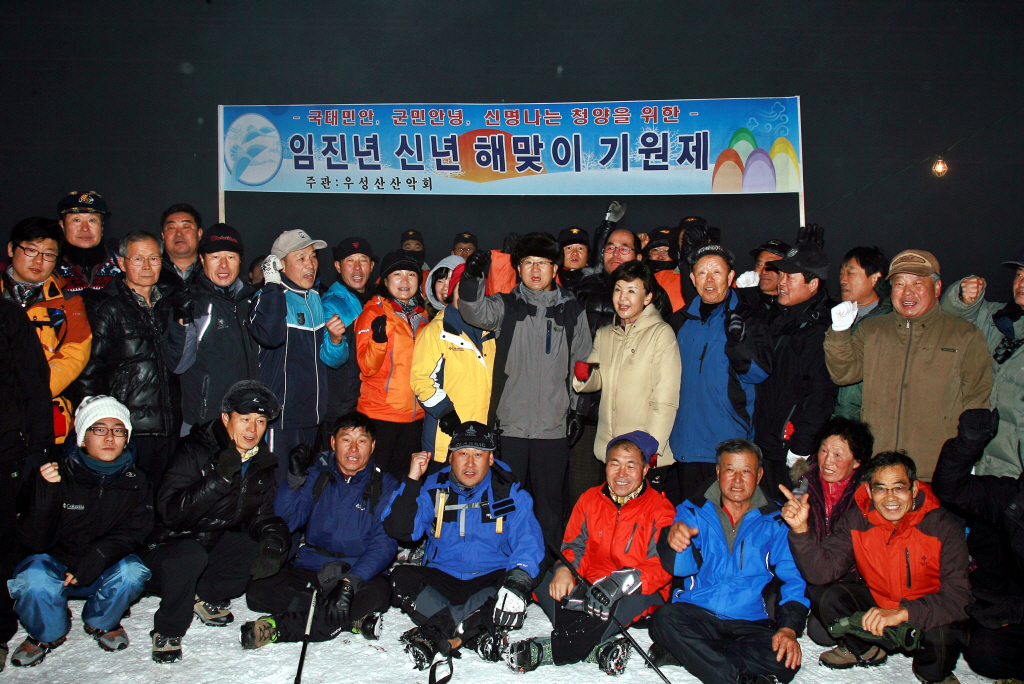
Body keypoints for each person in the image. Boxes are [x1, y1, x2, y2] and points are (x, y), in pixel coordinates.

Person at [458, 232, 593, 563]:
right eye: (528, 263)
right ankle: (504, 562)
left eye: (542, 263)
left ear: (555, 268)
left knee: (550, 507)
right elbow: (473, 311)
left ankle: (546, 567)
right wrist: (472, 278)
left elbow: (584, 364)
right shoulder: (505, 306)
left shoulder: (572, 310)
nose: (535, 270)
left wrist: (578, 411)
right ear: (518, 268)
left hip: (553, 428)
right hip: (510, 427)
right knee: (507, 502)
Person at [783, 451, 971, 683]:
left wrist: (904, 613)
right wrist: (801, 530)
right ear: (870, 492)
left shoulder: (943, 526)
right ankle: (864, 649)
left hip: (925, 611)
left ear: (914, 489)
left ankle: (931, 672)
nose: (890, 498)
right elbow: (821, 572)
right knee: (824, 595)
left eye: (899, 488)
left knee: (945, 633)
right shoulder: (857, 520)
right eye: (881, 489)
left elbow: (959, 597)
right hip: (879, 604)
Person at [504, 432, 676, 675]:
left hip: (634, 590)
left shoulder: (661, 509)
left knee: (628, 602)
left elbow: (662, 565)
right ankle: (598, 649)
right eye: (615, 464)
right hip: (590, 585)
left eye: (631, 465)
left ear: (645, 469)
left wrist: (619, 583)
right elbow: (575, 546)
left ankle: (549, 649)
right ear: (606, 466)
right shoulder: (590, 499)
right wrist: (565, 570)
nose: (622, 473)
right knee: (542, 577)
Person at [142, 380, 290, 663]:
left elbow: (261, 515)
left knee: (267, 545)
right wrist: (218, 479)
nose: (252, 429)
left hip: (212, 543)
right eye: (244, 419)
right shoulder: (195, 450)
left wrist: (274, 539)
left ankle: (205, 595)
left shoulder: (260, 461)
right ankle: (168, 630)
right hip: (168, 549)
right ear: (225, 419)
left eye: (260, 421)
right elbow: (171, 514)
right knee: (190, 554)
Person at [381, 422, 544, 673]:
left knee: (517, 584)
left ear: (491, 459)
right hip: (443, 576)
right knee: (400, 577)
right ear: (450, 458)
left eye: (478, 454)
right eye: (462, 453)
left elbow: (528, 539)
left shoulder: (507, 490)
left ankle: (436, 630)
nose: (470, 463)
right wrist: (412, 480)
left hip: (489, 578)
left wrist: (518, 580)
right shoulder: (434, 487)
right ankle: (475, 631)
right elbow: (401, 529)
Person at [648, 438, 808, 684]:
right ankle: (733, 677)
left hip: (749, 622)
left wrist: (788, 629)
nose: (737, 480)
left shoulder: (776, 520)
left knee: (785, 660)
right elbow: (681, 569)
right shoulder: (693, 510)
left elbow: (793, 578)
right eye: (730, 470)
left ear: (759, 475)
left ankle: (692, 654)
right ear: (718, 471)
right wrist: (676, 542)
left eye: (746, 471)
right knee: (663, 620)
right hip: (698, 613)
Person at [824, 248, 992, 481]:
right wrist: (840, 332)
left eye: (917, 283)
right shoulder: (872, 329)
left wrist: (967, 458)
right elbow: (844, 374)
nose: (907, 292)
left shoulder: (965, 335)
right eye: (899, 284)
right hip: (878, 467)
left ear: (937, 288)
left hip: (937, 470)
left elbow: (977, 400)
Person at [9, 396, 152, 667]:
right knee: (32, 579)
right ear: (82, 438)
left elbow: (136, 531)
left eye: (118, 430)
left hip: (101, 563)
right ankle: (47, 633)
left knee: (133, 572)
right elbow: (33, 541)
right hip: (55, 564)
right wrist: (44, 494)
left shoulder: (137, 479)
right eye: (99, 429)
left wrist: (97, 556)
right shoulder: (54, 472)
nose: (109, 437)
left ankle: (101, 621)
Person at [242, 411, 399, 648]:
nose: (353, 449)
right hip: (312, 566)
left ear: (373, 446)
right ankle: (346, 618)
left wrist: (350, 582)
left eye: (362, 441)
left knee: (378, 594)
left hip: (357, 568)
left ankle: (278, 628)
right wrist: (293, 482)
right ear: (333, 442)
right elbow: (286, 522)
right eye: (346, 440)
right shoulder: (317, 475)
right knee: (259, 590)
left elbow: (384, 543)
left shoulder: (386, 484)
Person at [665, 242, 772, 505]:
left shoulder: (748, 318)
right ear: (693, 279)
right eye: (702, 273)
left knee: (728, 523)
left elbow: (759, 373)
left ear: (731, 276)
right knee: (689, 523)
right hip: (684, 447)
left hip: (728, 448)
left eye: (717, 272)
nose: (709, 280)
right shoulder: (679, 321)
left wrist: (739, 343)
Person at [73, 231, 181, 485]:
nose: (147, 266)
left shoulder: (172, 303)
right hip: (126, 428)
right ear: (122, 263)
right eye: (138, 259)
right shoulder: (106, 307)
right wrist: (98, 426)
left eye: (153, 259)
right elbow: (88, 371)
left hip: (170, 425)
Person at [931, 409, 1024, 681]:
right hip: (1017, 610)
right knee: (985, 651)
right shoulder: (1012, 498)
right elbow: (952, 489)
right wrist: (966, 445)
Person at [249, 229, 348, 482]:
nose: (311, 264)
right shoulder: (266, 298)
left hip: (312, 416)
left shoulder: (315, 298)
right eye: (301, 258)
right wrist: (272, 284)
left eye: (313, 257)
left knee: (303, 486)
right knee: (277, 486)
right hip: (280, 419)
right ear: (280, 265)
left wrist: (336, 341)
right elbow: (270, 336)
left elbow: (333, 360)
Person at [753, 228, 839, 497]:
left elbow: (820, 394)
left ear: (813, 285)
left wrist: (801, 446)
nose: (782, 282)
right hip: (764, 443)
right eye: (782, 275)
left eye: (791, 277)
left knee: (793, 514)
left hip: (791, 450)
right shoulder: (778, 316)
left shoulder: (820, 330)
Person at [573, 261, 680, 473]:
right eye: (618, 289)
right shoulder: (605, 334)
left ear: (647, 298)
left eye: (631, 290)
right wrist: (583, 374)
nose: (622, 298)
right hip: (610, 451)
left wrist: (649, 449)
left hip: (643, 453)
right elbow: (596, 379)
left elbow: (665, 401)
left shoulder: (661, 334)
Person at [158, 223, 259, 436]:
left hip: (250, 421)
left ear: (240, 260)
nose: (223, 265)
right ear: (202, 260)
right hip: (205, 424)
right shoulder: (192, 303)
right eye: (215, 257)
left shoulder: (252, 301)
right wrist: (183, 323)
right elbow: (178, 365)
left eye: (230, 257)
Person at [0, 298, 56, 670]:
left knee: (3, 544)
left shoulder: (7, 315)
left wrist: (39, 446)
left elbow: (35, 381)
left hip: (5, 449)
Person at [2, 216, 92, 445]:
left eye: (49, 254)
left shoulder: (69, 302)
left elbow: (75, 354)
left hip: (45, 418)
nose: (39, 260)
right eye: (31, 250)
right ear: (11, 249)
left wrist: (31, 392)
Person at [789, 416, 874, 645]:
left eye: (838, 455)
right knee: (776, 609)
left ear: (856, 462)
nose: (828, 461)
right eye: (824, 450)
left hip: (847, 578)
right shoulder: (803, 483)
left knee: (823, 632)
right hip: (807, 569)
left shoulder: (866, 497)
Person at [940, 247, 1024, 477]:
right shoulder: (1000, 319)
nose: (1021, 282)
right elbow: (953, 319)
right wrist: (963, 298)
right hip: (986, 465)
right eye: (1019, 274)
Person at [353, 249, 429, 481]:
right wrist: (378, 341)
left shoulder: (424, 317)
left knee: (406, 484)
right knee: (375, 484)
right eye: (397, 274)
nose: (405, 281)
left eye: (411, 274)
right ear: (385, 281)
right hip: (380, 416)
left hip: (416, 418)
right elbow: (367, 367)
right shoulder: (373, 314)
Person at [412, 262, 496, 461]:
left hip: (481, 437)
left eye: (475, 289)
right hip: (447, 435)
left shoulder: (491, 331)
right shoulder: (435, 332)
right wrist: (445, 413)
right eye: (462, 288)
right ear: (452, 291)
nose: (468, 294)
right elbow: (421, 380)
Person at [321, 237, 377, 434]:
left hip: (372, 400)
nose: (357, 268)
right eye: (350, 261)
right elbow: (332, 360)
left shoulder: (379, 301)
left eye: (363, 260)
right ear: (338, 266)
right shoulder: (330, 303)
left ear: (371, 266)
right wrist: (335, 340)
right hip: (343, 405)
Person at [830, 246, 892, 420]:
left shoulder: (889, 321)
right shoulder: (831, 315)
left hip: (866, 420)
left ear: (875, 278)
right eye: (841, 274)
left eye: (851, 273)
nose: (843, 280)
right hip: (831, 418)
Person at [54, 190, 121, 302]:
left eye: (92, 220)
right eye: (76, 220)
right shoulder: (49, 267)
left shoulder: (123, 266)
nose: (85, 228)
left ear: (102, 226)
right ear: (62, 226)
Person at [735, 238, 791, 319]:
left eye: (771, 265)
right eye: (759, 264)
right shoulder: (737, 300)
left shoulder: (795, 306)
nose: (764, 271)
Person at [157, 203, 203, 290]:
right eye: (171, 227)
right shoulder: (152, 269)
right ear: (163, 236)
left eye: (186, 227)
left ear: (199, 233)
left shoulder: (212, 269)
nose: (179, 233)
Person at [424, 254, 464, 318]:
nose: (445, 288)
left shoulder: (474, 317)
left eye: (451, 281)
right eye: (440, 281)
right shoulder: (424, 317)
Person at [556, 226, 589, 291]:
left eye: (580, 248)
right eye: (569, 248)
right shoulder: (548, 281)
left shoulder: (598, 282)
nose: (575, 253)